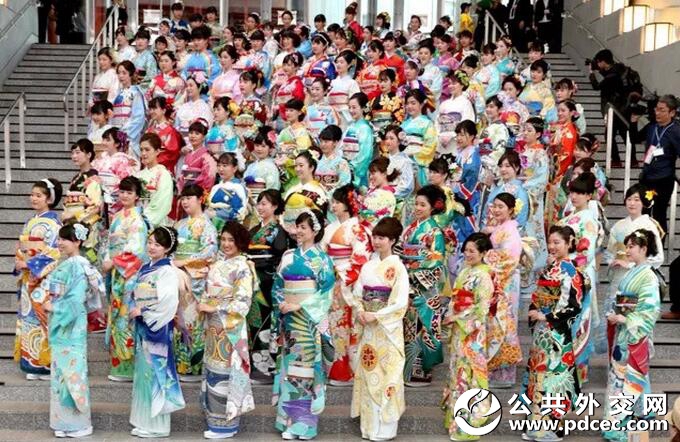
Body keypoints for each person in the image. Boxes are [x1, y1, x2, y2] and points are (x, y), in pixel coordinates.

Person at [270, 209, 335, 440]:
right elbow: (278, 285)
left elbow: (326, 293)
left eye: (303, 227)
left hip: (308, 322)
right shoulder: (288, 256)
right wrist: (281, 303)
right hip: (289, 321)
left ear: (315, 231)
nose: (298, 231)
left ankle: (305, 426)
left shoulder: (322, 259)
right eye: (297, 226)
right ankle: (288, 421)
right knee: (290, 371)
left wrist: (299, 305)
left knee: (306, 372)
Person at [522, 225, 584, 442]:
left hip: (556, 332)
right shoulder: (551, 268)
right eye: (550, 242)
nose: (552, 246)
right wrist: (533, 309)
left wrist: (546, 315)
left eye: (557, 242)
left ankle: (553, 427)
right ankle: (536, 424)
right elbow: (538, 295)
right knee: (537, 375)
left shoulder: (570, 270)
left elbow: (573, 305)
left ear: (569, 244)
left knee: (554, 377)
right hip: (541, 332)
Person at [44, 223, 104, 438]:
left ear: (77, 241)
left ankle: (80, 424)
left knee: (73, 372)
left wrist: (54, 307)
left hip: (71, 323)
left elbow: (77, 300)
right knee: (61, 373)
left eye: (65, 239)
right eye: (59, 239)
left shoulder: (78, 266)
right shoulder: (69, 264)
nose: (60, 243)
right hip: (63, 323)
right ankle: (63, 422)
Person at [351, 217, 408, 441]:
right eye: (374, 237)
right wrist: (360, 311)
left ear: (392, 240)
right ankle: (369, 427)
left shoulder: (398, 268)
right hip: (369, 328)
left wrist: (376, 315)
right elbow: (358, 294)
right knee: (368, 373)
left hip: (387, 330)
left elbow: (400, 302)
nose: (376, 241)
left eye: (382, 238)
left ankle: (385, 429)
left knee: (387, 375)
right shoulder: (368, 266)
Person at [602, 229, 661, 442]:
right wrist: (615, 314)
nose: (627, 250)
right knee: (621, 378)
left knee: (626, 380)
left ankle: (621, 425)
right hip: (623, 331)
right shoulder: (633, 271)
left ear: (643, 249)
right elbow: (621, 301)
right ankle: (625, 421)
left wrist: (625, 318)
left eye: (631, 246)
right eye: (626, 246)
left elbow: (650, 310)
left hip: (634, 332)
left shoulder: (648, 276)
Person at [200, 222, 257, 439]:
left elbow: (243, 301)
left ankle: (227, 425)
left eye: (231, 240)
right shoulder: (217, 264)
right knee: (213, 369)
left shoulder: (243, 266)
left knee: (226, 372)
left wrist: (214, 306)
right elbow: (208, 292)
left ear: (240, 242)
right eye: (223, 239)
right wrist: (204, 303)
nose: (226, 244)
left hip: (230, 326)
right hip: (213, 325)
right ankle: (214, 422)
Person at [128, 227, 185, 438]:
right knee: (145, 373)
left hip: (157, 325)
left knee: (156, 372)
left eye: (157, 245)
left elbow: (168, 301)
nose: (152, 247)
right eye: (150, 242)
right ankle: (145, 420)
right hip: (145, 325)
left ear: (167, 248)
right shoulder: (146, 267)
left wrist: (143, 310)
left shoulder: (167, 271)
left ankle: (158, 426)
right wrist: (136, 305)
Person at [442, 232, 495, 441]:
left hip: (472, 332)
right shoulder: (464, 272)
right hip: (459, 329)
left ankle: (468, 424)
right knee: (457, 370)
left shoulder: (484, 276)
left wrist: (457, 317)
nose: (468, 254)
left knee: (469, 373)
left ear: (483, 253)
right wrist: (451, 314)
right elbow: (455, 299)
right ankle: (456, 419)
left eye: (472, 251)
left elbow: (482, 308)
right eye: (466, 250)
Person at [321, 184, 373, 386]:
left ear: (348, 204)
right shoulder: (330, 228)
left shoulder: (358, 228)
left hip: (347, 283)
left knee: (349, 326)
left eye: (338, 202)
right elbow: (322, 253)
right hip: (331, 281)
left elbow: (361, 257)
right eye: (332, 202)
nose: (333, 206)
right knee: (333, 326)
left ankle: (350, 370)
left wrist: (341, 274)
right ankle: (336, 368)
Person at [600, 184, 664, 341]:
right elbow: (610, 251)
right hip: (619, 279)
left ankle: (635, 355)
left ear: (644, 202)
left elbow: (658, 257)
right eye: (629, 199)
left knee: (635, 325)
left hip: (639, 281)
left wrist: (629, 264)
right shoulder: (619, 226)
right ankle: (615, 357)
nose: (632, 203)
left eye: (636, 199)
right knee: (615, 325)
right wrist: (612, 261)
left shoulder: (649, 225)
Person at [15, 178, 63, 380]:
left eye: (39, 195)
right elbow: (21, 247)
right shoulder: (31, 221)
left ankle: (46, 364)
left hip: (44, 279)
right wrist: (19, 259)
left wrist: (29, 264)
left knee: (43, 318)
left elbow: (55, 251)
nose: (33, 198)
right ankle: (31, 364)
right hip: (29, 277)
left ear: (49, 199)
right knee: (29, 319)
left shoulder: (54, 224)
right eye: (32, 194)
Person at [557, 172, 602, 386]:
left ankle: (577, 372)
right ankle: (562, 367)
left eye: (580, 193)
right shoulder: (567, 218)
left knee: (578, 320)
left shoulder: (589, 219)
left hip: (579, 274)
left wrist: (566, 261)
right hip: (563, 272)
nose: (574, 196)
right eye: (573, 192)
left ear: (589, 196)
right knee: (564, 320)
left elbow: (587, 251)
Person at [102, 176, 149, 382]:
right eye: (122, 191)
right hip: (117, 271)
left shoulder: (138, 220)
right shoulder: (117, 216)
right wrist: (107, 259)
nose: (125, 196)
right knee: (116, 316)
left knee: (125, 316)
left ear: (137, 196)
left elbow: (136, 249)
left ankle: (128, 368)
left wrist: (113, 262)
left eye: (129, 192)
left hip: (129, 274)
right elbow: (109, 243)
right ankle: (118, 366)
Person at [400, 185, 447, 386]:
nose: (417, 208)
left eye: (422, 205)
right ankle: (409, 371)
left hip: (424, 288)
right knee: (409, 327)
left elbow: (436, 261)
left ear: (432, 207)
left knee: (424, 327)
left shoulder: (435, 232)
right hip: (408, 282)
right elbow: (401, 250)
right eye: (416, 204)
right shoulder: (410, 228)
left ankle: (422, 372)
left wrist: (413, 280)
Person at [172, 184, 218, 381]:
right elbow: (171, 248)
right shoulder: (179, 225)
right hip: (177, 276)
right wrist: (173, 263)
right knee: (178, 320)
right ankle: (180, 364)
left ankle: (194, 366)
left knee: (193, 322)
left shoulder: (207, 225)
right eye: (183, 198)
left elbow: (210, 252)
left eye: (189, 198)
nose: (185, 202)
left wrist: (184, 262)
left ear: (200, 199)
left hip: (195, 278)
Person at [247, 190, 290, 383]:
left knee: (267, 321)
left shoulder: (279, 231)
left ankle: (268, 368)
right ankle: (256, 366)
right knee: (254, 321)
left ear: (275, 206)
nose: (260, 207)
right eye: (259, 203)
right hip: (253, 278)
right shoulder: (255, 229)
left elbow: (280, 256)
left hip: (268, 279)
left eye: (265, 203)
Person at [483, 193, 523, 388]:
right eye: (495, 206)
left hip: (505, 281)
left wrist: (486, 261)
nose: (496, 210)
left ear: (511, 210)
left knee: (504, 324)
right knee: (495, 324)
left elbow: (509, 258)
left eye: (501, 207)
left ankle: (505, 375)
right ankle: (494, 371)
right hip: (497, 280)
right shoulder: (501, 227)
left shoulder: (511, 231)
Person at [639, 94, 680, 235]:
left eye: (662, 110)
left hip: (663, 180)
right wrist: (633, 121)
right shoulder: (652, 126)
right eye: (656, 109)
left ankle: (659, 244)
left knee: (658, 214)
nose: (657, 113)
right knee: (643, 211)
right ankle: (643, 242)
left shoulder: (676, 131)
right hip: (647, 178)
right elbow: (634, 137)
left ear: (672, 113)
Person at [588, 49, 628, 167]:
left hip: (613, 108)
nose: (598, 64)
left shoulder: (612, 75)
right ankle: (632, 159)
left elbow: (597, 86)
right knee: (623, 133)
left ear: (604, 62)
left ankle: (616, 160)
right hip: (620, 107)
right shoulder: (617, 71)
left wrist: (591, 73)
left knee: (609, 134)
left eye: (598, 62)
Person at [136, 133, 175, 229]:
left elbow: (162, 204)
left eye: (147, 149)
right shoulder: (137, 175)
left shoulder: (163, 175)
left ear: (157, 151)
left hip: (155, 224)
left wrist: (143, 222)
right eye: (141, 150)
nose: (143, 153)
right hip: (135, 221)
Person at [401, 89, 437, 188]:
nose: (409, 106)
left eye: (413, 103)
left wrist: (413, 154)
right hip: (403, 163)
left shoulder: (427, 123)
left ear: (421, 104)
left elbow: (430, 146)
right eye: (407, 103)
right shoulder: (404, 124)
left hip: (418, 163)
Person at [111, 61, 146, 158]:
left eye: (124, 73)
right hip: (116, 133)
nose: (121, 76)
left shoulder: (136, 93)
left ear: (131, 74)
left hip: (130, 137)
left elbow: (139, 117)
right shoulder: (118, 93)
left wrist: (126, 134)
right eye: (119, 73)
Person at [342, 92, 374, 189]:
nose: (351, 110)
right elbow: (342, 147)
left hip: (357, 172)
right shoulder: (350, 126)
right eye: (349, 107)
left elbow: (365, 154)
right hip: (346, 168)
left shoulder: (365, 128)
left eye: (354, 107)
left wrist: (352, 167)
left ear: (363, 108)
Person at [146, 97, 184, 175]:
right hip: (149, 168)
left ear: (163, 110)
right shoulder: (149, 130)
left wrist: (153, 160)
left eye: (154, 108)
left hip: (164, 170)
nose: (152, 111)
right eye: (150, 109)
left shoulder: (171, 131)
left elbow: (172, 154)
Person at [360, 158, 398, 230]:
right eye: (370, 174)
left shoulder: (387, 195)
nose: (370, 177)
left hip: (373, 231)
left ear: (384, 174)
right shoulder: (375, 191)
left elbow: (377, 220)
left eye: (373, 173)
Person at [329, 50, 362, 131]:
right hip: (331, 117)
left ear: (349, 64)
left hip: (345, 117)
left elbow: (355, 103)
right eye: (337, 62)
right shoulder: (332, 82)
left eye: (341, 62)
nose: (338, 64)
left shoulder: (352, 83)